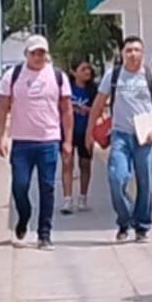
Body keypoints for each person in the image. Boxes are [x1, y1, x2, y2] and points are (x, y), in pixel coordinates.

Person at [0, 35, 73, 249]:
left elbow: (66, 110)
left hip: (48, 140)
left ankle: (44, 234)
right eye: (33, 53)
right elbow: (2, 107)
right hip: (22, 141)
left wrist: (67, 141)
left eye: (41, 53)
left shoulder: (57, 77)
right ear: (26, 54)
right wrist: (1, 136)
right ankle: (24, 214)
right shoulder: (13, 76)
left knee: (47, 187)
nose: (38, 57)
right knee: (20, 185)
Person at [94, 36, 152, 243]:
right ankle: (124, 219)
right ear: (122, 53)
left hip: (146, 136)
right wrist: (90, 130)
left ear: (143, 53)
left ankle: (142, 225)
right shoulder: (114, 75)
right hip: (120, 135)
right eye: (128, 50)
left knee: (145, 182)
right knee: (116, 178)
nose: (133, 54)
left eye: (137, 50)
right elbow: (99, 102)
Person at [62, 61, 99, 214]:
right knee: (67, 163)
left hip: (86, 131)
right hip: (68, 131)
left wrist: (87, 109)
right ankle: (67, 199)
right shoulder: (66, 88)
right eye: (83, 69)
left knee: (85, 164)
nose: (87, 72)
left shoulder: (93, 90)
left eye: (89, 69)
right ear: (73, 71)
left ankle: (83, 198)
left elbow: (99, 109)